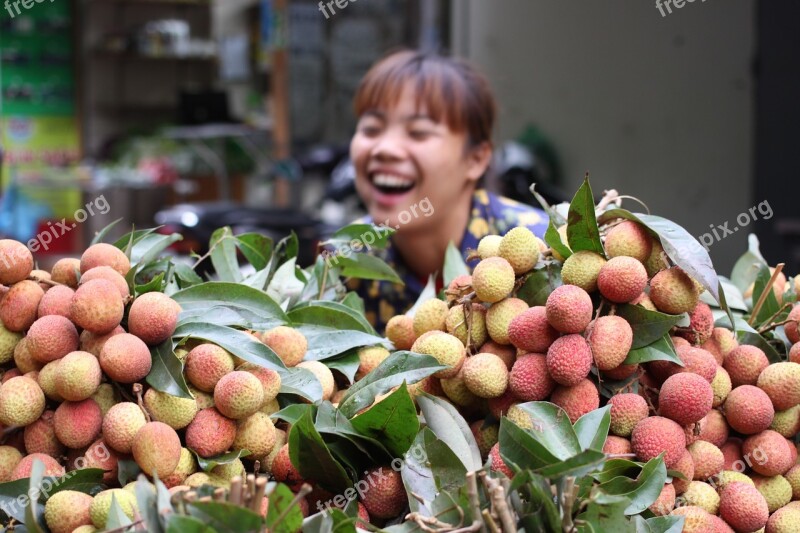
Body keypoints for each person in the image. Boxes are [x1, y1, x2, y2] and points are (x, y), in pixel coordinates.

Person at [344, 50, 549, 333]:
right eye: (371, 128)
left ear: (475, 159)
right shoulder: (344, 261)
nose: (384, 149)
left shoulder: (542, 252)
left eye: (418, 132)